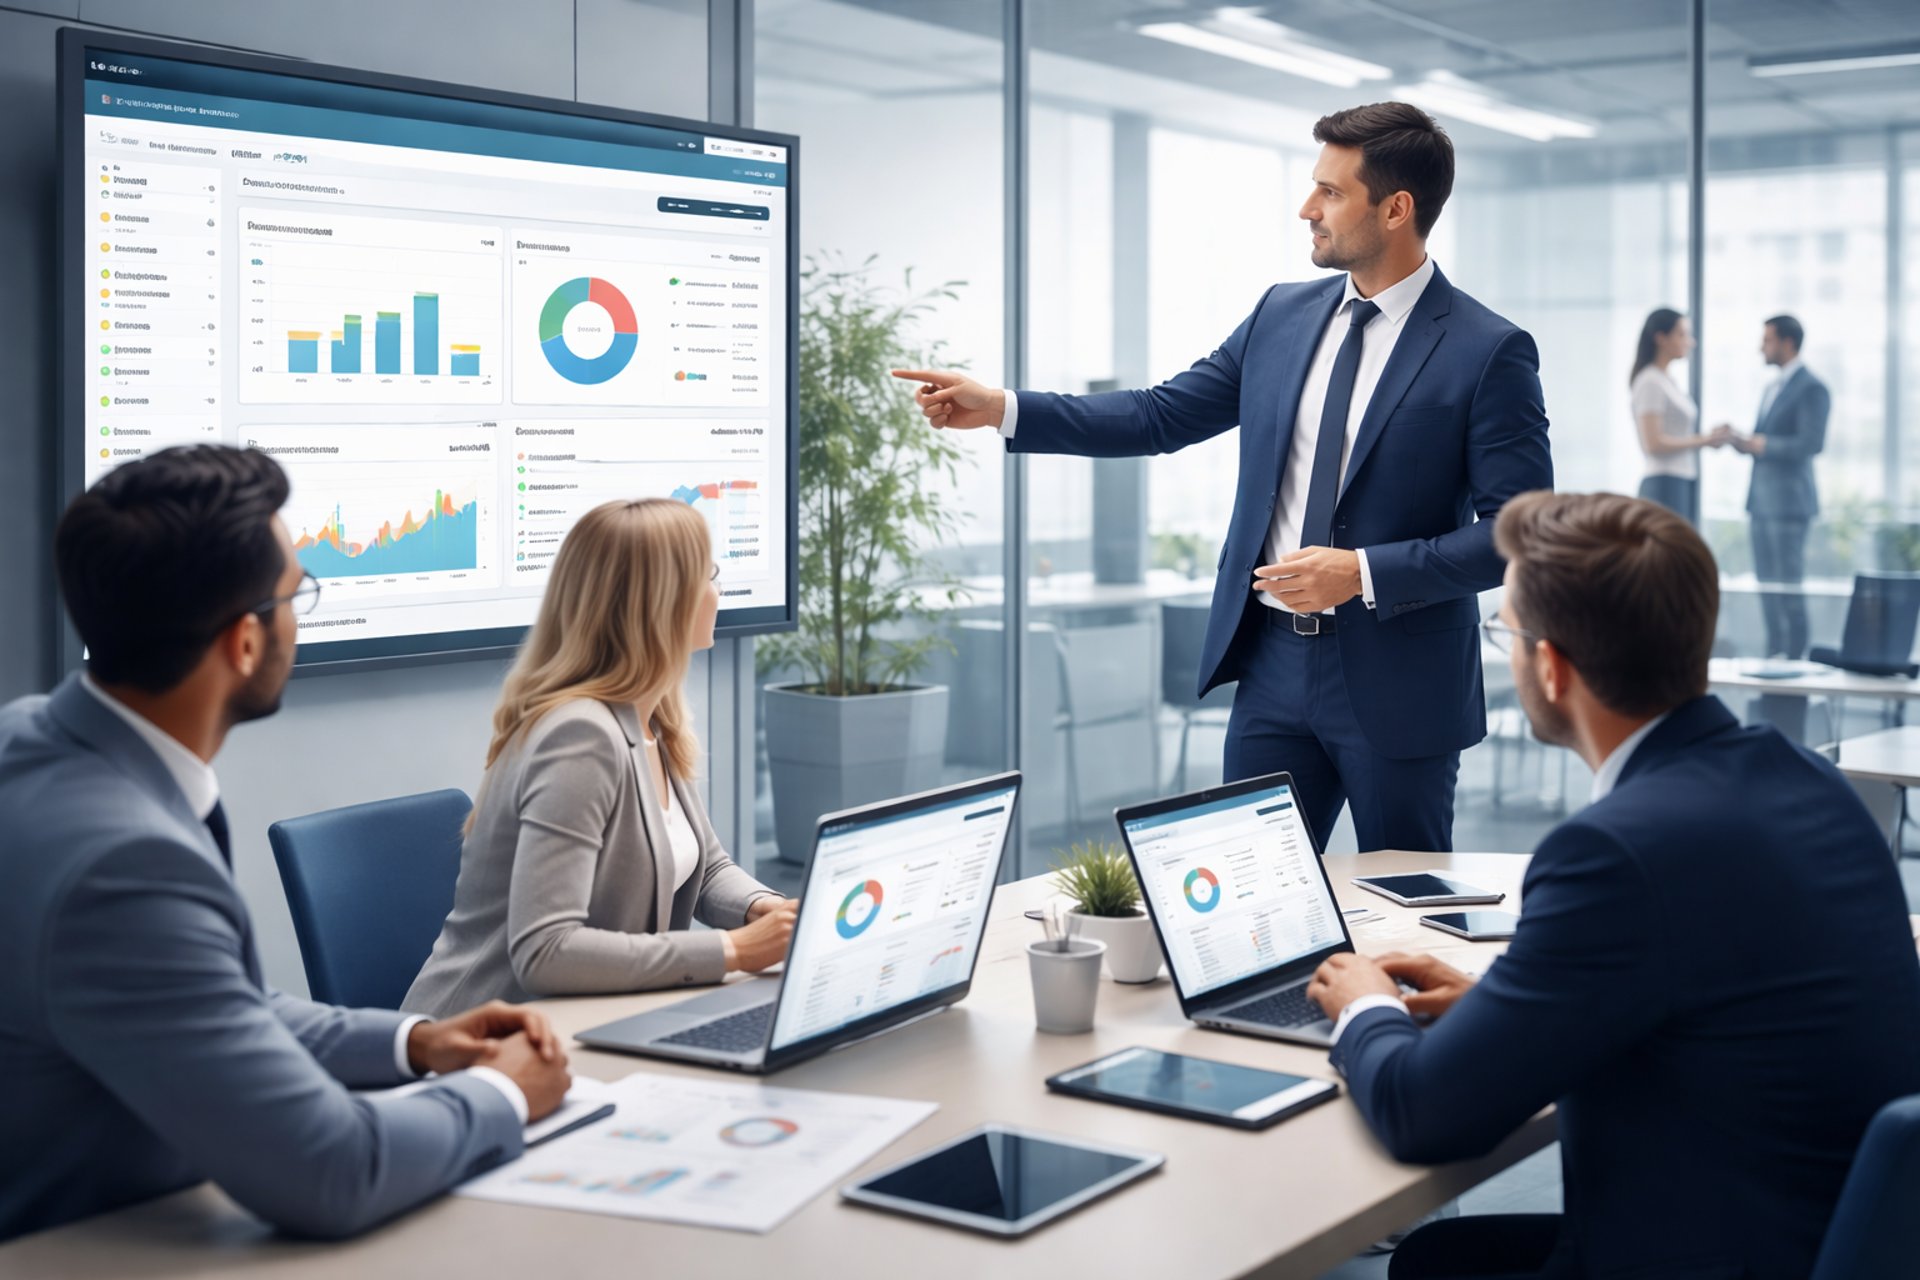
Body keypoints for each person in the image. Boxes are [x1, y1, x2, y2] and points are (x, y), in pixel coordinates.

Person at [893, 102, 1551, 853]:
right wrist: (1004, 408)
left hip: (1400, 683)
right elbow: (1157, 416)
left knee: (1403, 914)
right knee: (1250, 901)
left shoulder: (1487, 349)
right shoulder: (1281, 316)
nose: (1308, 209)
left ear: (1397, 208)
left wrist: (1363, 572)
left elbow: (1517, 534)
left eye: (1331, 193)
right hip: (1271, 665)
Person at [1307, 490, 1920, 1280]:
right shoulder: (1805, 780)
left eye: (1508, 633)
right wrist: (1498, 1010)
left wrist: (1364, 1001)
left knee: (1433, 1266)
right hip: (1828, 1237)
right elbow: (1710, 993)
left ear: (1552, 668)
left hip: (1711, 1253)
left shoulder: (1615, 851)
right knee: (1439, 1256)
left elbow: (1422, 1116)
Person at [0, 446, 572, 1242]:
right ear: (242, 642)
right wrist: (509, 1094)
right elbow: (332, 1172)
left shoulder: (33, 740)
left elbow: (209, 1005)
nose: (301, 614)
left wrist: (415, 1043)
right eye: (297, 594)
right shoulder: (123, 869)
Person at [403, 498, 795, 1017]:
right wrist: (735, 951)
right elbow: (545, 952)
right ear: (664, 602)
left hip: (592, 1022)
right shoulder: (580, 734)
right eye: (711, 574)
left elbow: (703, 866)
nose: (718, 591)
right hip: (482, 1038)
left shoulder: (653, 716)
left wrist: (763, 909)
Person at [1717, 314, 1830, 659]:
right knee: (1767, 589)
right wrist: (1742, 441)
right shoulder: (1772, 387)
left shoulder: (1812, 387)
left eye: (1766, 340)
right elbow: (1763, 442)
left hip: (1789, 505)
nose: (1760, 347)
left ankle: (1796, 662)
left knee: (1788, 590)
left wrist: (1762, 444)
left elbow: (1811, 443)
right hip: (1761, 503)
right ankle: (1773, 659)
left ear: (1787, 342)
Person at [1628, 307, 1727, 519]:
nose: (1690, 342)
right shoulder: (1650, 381)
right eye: (1682, 334)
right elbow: (1652, 443)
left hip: (1680, 479)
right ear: (1661, 338)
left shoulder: (1667, 380)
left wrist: (1705, 439)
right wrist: (1703, 440)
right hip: (1664, 482)